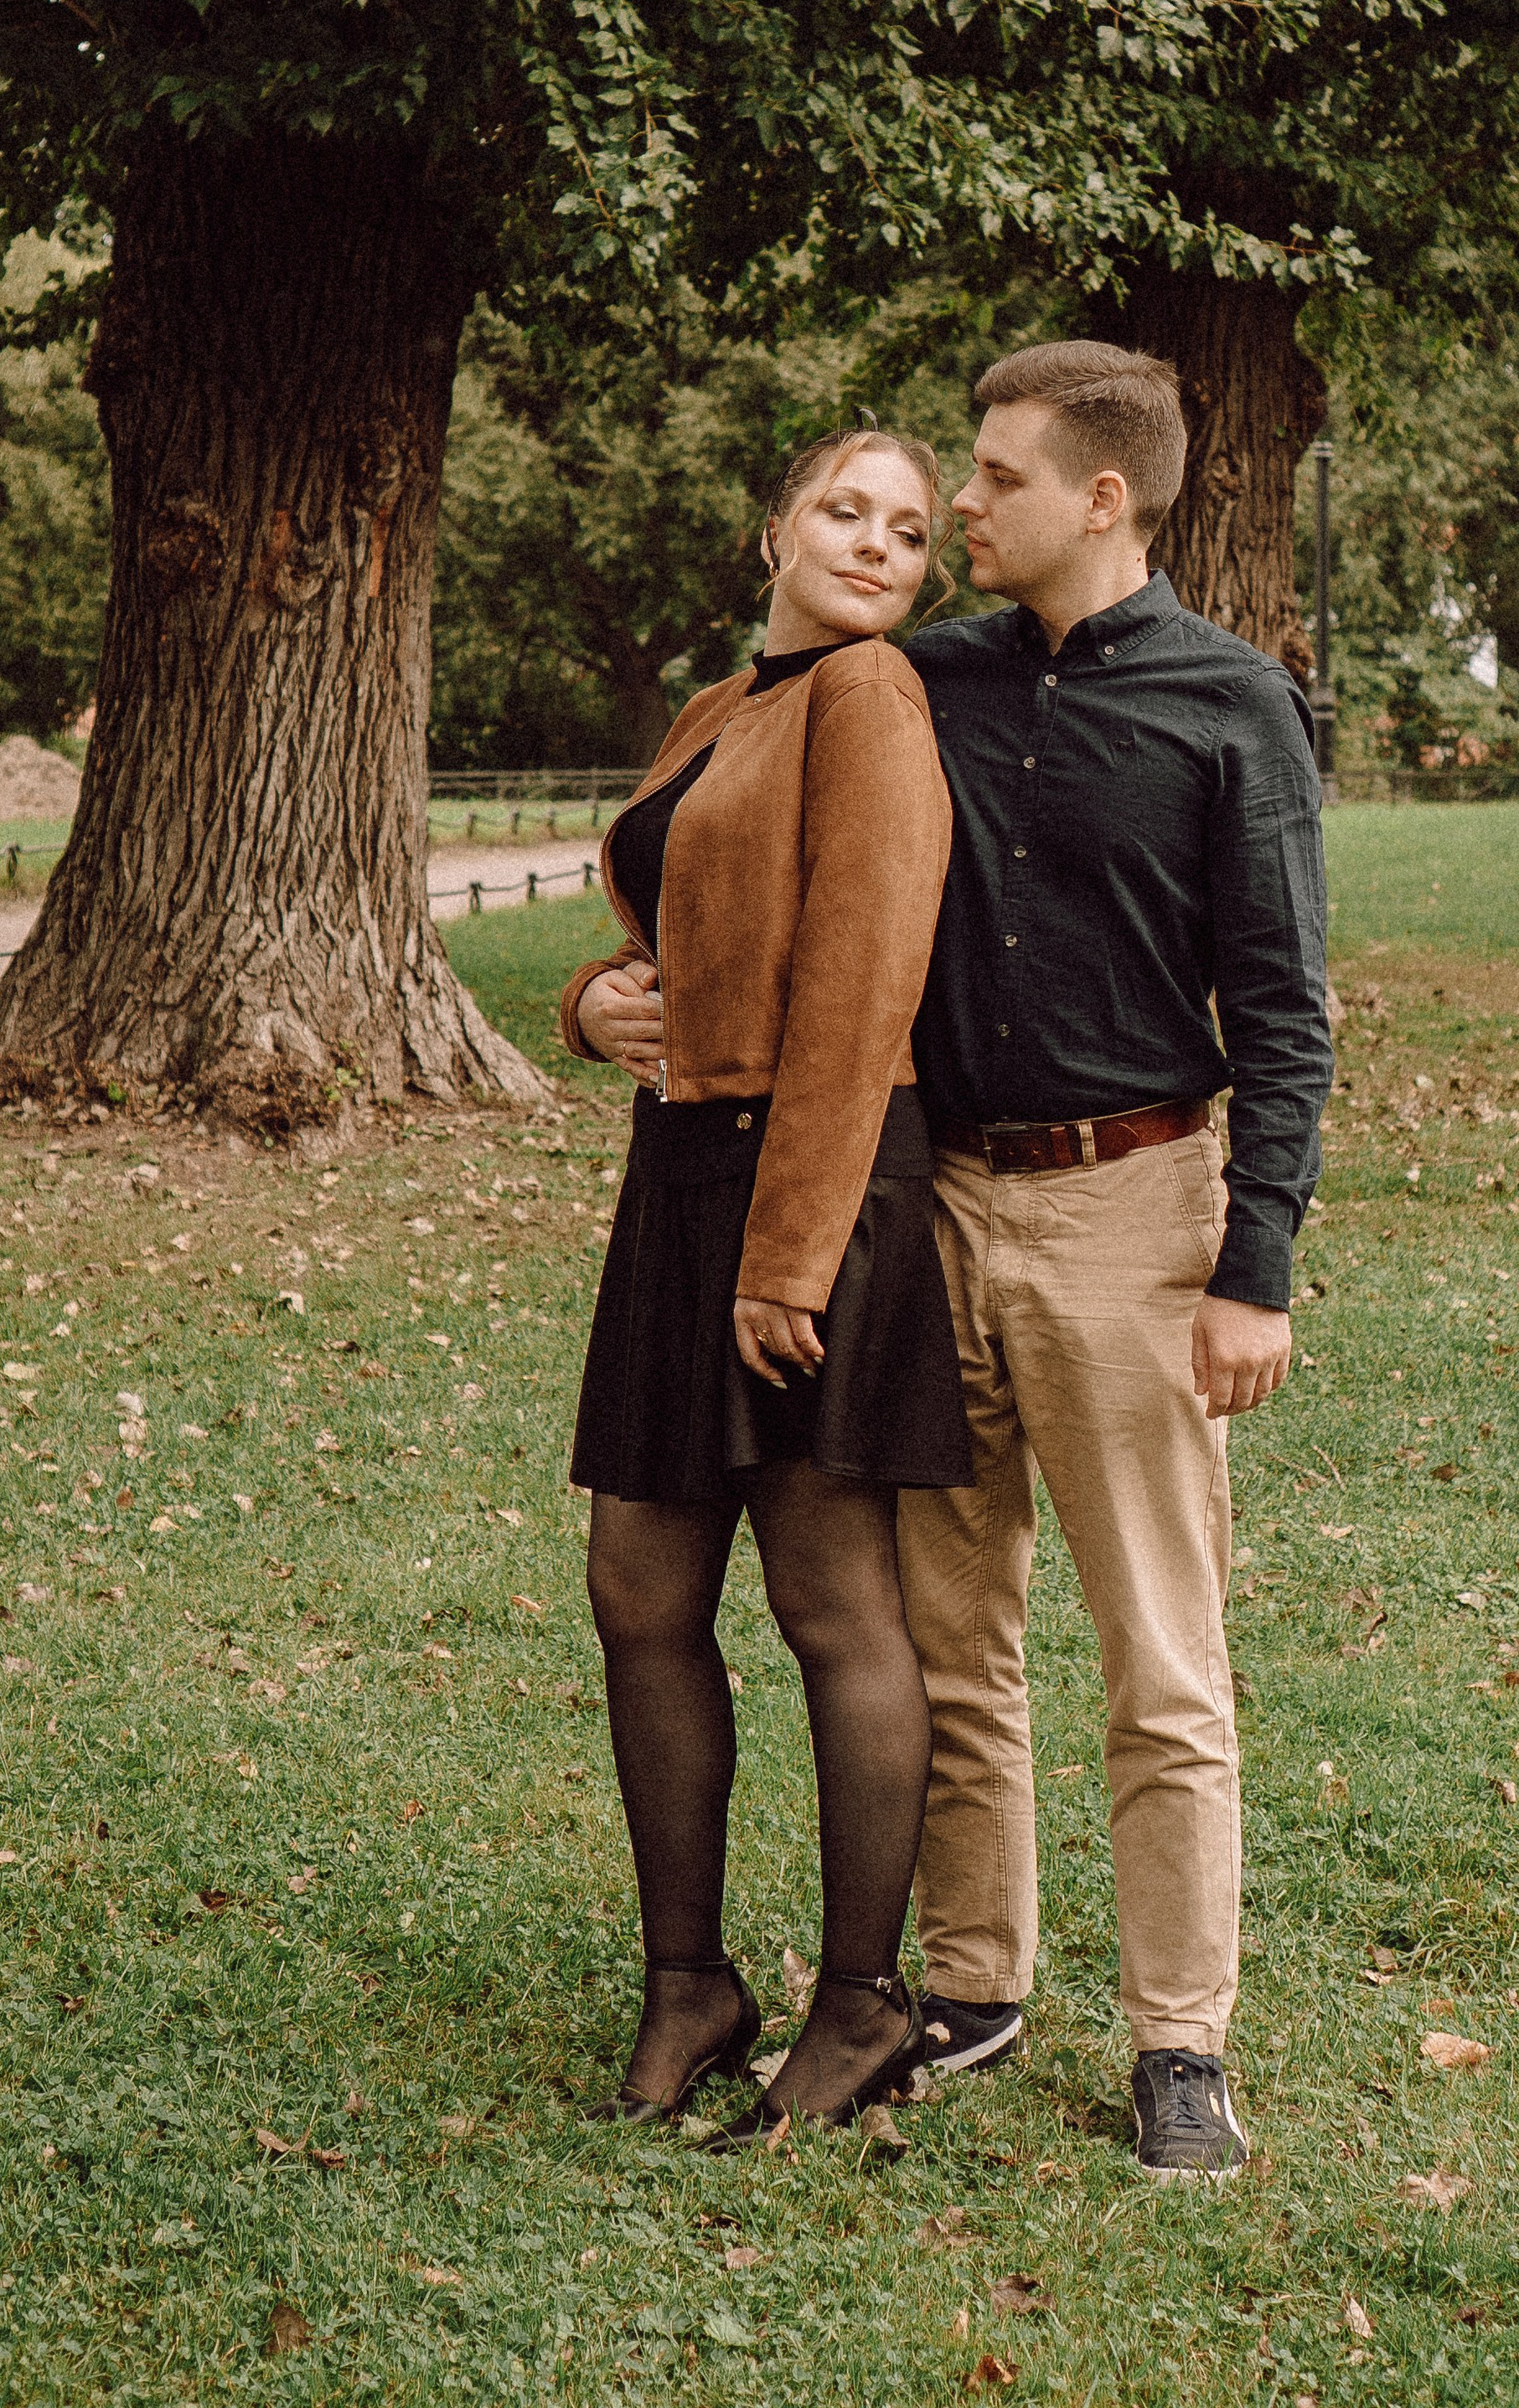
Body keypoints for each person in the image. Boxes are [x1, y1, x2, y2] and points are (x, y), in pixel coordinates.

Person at [898, 340, 1334, 2181]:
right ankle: (972, 1983)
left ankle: (1178, 2042)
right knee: (949, 1640)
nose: (961, 503)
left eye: (994, 475)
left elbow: (1284, 1008)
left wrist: (1255, 1265)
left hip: (1135, 1218)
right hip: (931, 1207)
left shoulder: (1234, 704)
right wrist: (614, 985)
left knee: (1161, 1657)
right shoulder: (918, 680)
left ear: (1101, 496)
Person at [557, 428, 967, 2144]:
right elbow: (682, 929)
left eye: (911, 531)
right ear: (775, 531)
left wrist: (790, 1255)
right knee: (638, 1587)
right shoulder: (725, 706)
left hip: (814, 1180)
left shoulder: (868, 696)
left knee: (829, 1600)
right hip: (680, 1180)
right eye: (844, 512)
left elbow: (868, 981)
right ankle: (689, 1986)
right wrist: (592, 1004)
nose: (876, 547)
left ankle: (862, 2003)